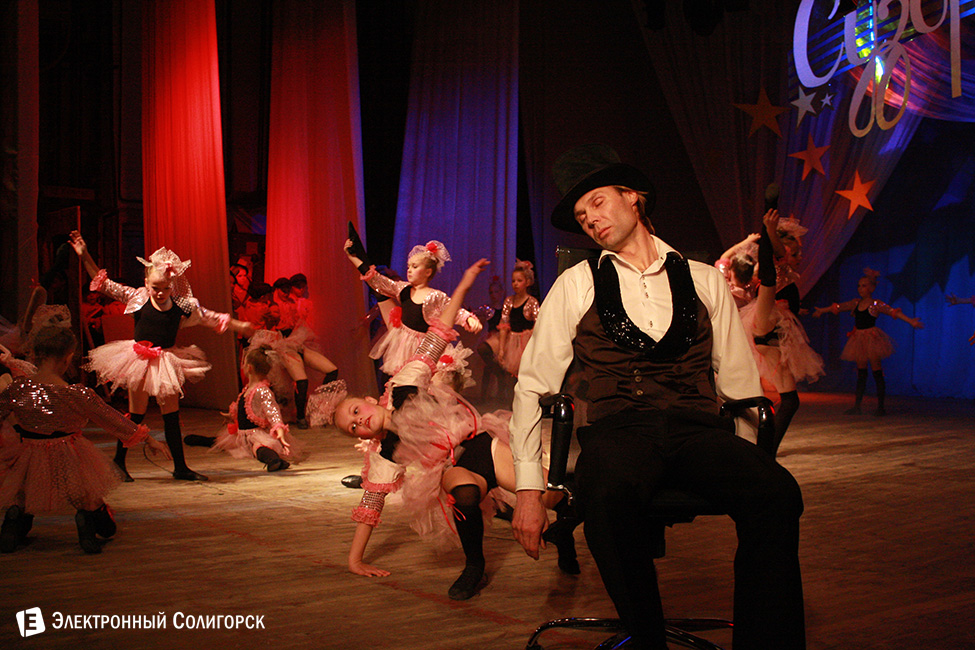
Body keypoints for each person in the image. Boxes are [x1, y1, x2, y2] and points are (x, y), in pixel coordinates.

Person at [509, 145, 806, 650]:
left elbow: (739, 386)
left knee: (777, 492)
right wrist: (528, 491)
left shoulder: (704, 279)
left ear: (633, 198)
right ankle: (648, 641)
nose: (590, 220)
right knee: (605, 494)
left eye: (597, 203)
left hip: (696, 431)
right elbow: (534, 385)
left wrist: (745, 461)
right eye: (581, 216)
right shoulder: (576, 284)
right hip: (619, 431)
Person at [309, 259, 579, 601]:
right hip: (456, 466)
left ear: (368, 400)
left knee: (550, 496)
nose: (359, 421)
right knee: (462, 494)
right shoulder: (386, 452)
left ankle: (564, 533)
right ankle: (474, 566)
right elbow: (371, 505)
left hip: (481, 444)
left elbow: (437, 335)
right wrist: (354, 560)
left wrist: (464, 283)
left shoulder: (405, 384)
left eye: (356, 412)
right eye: (353, 428)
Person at [69, 230, 255, 481]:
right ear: (146, 283)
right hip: (138, 359)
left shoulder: (182, 304)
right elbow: (104, 284)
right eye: (155, 288)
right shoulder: (137, 296)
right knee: (136, 413)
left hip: (165, 360)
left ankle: (180, 467)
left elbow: (210, 317)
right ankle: (119, 462)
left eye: (166, 288)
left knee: (171, 415)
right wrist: (85, 255)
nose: (160, 293)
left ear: (172, 286)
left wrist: (239, 326)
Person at [0, 326, 170, 554]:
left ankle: (13, 521)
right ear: (67, 358)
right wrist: (148, 439)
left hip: (28, 451)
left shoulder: (18, 388)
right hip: (68, 451)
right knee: (82, 492)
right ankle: (86, 523)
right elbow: (111, 419)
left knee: (22, 491)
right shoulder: (77, 394)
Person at [736, 211, 824, 454]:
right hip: (770, 332)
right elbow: (777, 253)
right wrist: (771, 231)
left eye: (798, 253)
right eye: (795, 253)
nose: (799, 258)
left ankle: (764, 450)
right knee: (790, 401)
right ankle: (766, 452)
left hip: (772, 334)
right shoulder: (773, 268)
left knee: (789, 400)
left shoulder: (780, 273)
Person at [344, 238, 482, 385]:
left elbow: (453, 310)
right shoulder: (402, 288)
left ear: (428, 272)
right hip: (402, 344)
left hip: (423, 348)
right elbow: (377, 280)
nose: (409, 270)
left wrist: (469, 318)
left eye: (415, 267)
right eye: (408, 266)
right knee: (398, 381)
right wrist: (352, 258)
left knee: (418, 382)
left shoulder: (435, 296)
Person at [813, 269, 924, 415]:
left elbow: (892, 311)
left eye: (864, 286)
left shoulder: (875, 304)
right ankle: (857, 406)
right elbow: (840, 307)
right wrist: (823, 310)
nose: (860, 288)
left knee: (877, 372)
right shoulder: (856, 303)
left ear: (872, 288)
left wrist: (911, 321)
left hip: (871, 338)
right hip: (858, 339)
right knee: (861, 373)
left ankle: (881, 407)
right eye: (859, 286)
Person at [211, 345, 303, 471]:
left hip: (255, 435)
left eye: (244, 363)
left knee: (258, 447)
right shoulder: (247, 389)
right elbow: (243, 409)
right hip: (241, 434)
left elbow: (273, 412)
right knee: (224, 442)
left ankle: (274, 460)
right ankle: (200, 440)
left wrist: (279, 429)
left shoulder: (262, 391)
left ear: (249, 367)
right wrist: (231, 416)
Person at [267, 277, 339, 429]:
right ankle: (300, 416)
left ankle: (318, 407)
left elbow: (299, 323)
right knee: (302, 380)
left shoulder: (294, 304)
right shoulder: (272, 306)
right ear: (277, 290)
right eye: (283, 290)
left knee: (332, 370)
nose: (286, 293)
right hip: (282, 346)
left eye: (288, 290)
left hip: (297, 343)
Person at [496, 260, 540, 378]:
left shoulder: (532, 302)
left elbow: (538, 324)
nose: (515, 284)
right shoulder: (509, 301)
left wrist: (530, 335)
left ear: (527, 282)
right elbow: (504, 325)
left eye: (519, 281)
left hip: (526, 342)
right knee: (509, 373)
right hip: (511, 340)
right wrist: (501, 349)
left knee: (524, 373)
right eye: (513, 281)